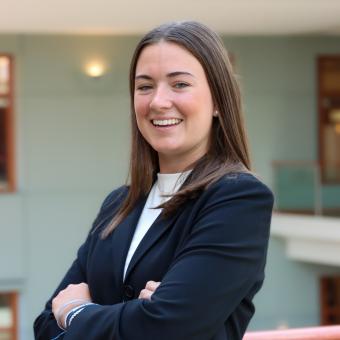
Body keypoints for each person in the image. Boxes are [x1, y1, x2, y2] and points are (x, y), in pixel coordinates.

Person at [34, 21, 274, 340]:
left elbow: (168, 327)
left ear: (218, 100)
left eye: (179, 85)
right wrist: (142, 314)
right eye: (145, 86)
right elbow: (45, 325)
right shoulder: (119, 204)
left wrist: (76, 312)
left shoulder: (238, 199)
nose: (158, 101)